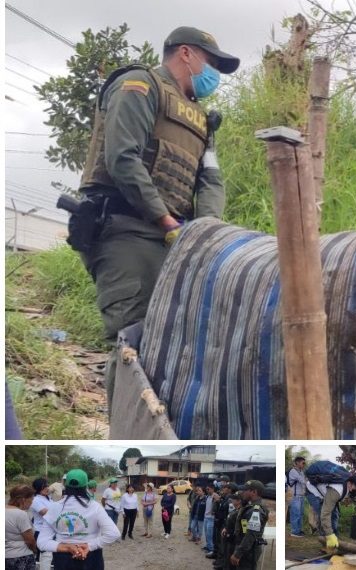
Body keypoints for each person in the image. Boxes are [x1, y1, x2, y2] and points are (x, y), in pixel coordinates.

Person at [70, 26, 240, 412]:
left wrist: (204, 231)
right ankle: (124, 429)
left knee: (169, 342)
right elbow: (123, 158)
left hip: (173, 239)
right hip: (125, 230)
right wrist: (165, 220)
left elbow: (210, 179)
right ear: (185, 53)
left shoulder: (200, 120)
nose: (214, 73)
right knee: (133, 337)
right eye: (211, 62)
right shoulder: (139, 86)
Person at [37, 469, 120, 570]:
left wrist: (67, 547)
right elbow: (113, 533)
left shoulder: (54, 507)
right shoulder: (94, 507)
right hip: (91, 557)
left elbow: (42, 542)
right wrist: (89, 546)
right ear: (85, 486)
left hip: (63, 559)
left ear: (65, 485)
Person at [306, 475, 356, 550]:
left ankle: (336, 540)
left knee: (335, 515)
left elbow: (354, 495)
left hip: (328, 493)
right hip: (313, 491)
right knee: (323, 514)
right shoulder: (337, 490)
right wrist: (329, 534)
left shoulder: (349, 485)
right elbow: (325, 514)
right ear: (350, 484)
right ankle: (327, 543)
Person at [230, 481, 270, 569]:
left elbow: (251, 534)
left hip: (249, 551)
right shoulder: (249, 507)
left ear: (254, 492)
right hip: (246, 548)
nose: (243, 493)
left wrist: (238, 554)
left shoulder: (255, 511)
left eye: (245, 490)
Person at [6, 485, 38, 570]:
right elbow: (30, 540)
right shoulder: (20, 514)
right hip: (21, 557)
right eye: (31, 499)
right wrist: (35, 550)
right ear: (23, 499)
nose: (31, 503)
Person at [217, 491, 244, 570]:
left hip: (233, 540)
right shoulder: (235, 510)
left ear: (239, 501)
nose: (232, 500)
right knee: (226, 556)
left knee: (230, 562)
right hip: (228, 538)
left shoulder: (241, 512)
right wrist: (225, 528)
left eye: (234, 499)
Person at [31, 478, 52, 570]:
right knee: (45, 555)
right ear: (38, 488)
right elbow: (44, 512)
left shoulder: (48, 499)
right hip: (40, 531)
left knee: (46, 556)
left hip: (50, 530)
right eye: (44, 487)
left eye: (47, 486)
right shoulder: (35, 500)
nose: (47, 488)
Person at [208, 484, 234, 560]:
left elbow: (227, 511)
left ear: (229, 489)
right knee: (216, 539)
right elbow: (217, 508)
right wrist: (218, 501)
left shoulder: (230, 499)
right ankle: (215, 554)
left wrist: (219, 501)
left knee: (221, 542)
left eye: (224, 488)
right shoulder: (223, 497)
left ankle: (220, 559)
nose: (222, 489)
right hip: (218, 520)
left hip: (223, 522)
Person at [287, 456, 307, 538]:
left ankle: (298, 530)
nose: (304, 464)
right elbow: (303, 481)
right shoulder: (293, 471)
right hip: (295, 496)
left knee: (300, 514)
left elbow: (304, 482)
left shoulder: (301, 472)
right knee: (295, 514)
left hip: (301, 496)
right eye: (303, 463)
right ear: (297, 462)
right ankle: (294, 532)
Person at [203, 484, 217, 554]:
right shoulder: (207, 496)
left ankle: (211, 549)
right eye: (206, 489)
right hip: (206, 517)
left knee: (210, 534)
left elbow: (216, 506)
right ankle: (208, 546)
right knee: (206, 533)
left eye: (208, 489)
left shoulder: (215, 496)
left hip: (211, 518)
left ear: (212, 489)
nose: (207, 490)